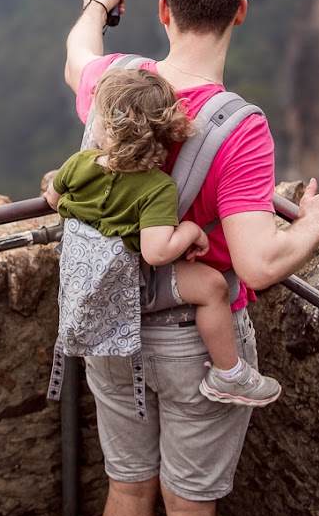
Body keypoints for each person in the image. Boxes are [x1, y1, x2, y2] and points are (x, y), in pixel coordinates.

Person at [62, 0, 319, 516]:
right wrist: (311, 221)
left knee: (128, 482)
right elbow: (256, 264)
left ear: (164, 9)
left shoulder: (115, 82)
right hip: (194, 345)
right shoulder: (239, 127)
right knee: (189, 503)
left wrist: (96, 0)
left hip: (109, 326)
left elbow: (74, 57)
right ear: (241, 11)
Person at [45, 67, 281, 406]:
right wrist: (189, 231)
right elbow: (156, 252)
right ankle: (229, 373)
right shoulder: (156, 188)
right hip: (127, 281)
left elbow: (53, 199)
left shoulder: (79, 164)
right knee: (213, 288)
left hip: (83, 284)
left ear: (109, 130)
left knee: (126, 462)